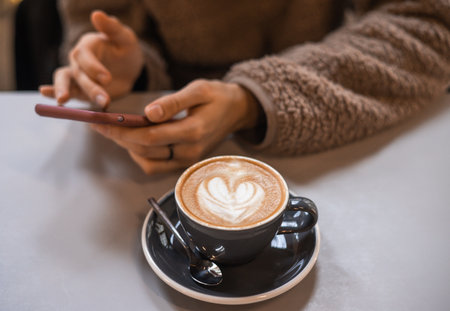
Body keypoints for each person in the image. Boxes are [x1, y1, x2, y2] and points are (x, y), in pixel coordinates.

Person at [40, 0, 450, 175]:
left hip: (329, 129)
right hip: (149, 165)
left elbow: (428, 24)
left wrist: (252, 99)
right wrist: (127, 71)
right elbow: (99, 24)